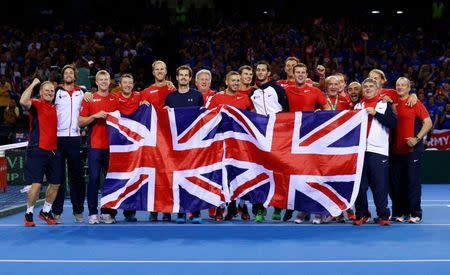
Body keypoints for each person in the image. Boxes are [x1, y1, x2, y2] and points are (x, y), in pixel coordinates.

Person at [205, 71, 253, 222]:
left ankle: (242, 205)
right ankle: (220, 206)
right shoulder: (217, 98)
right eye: (233, 80)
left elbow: (252, 118)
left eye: (238, 80)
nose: (236, 83)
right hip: (222, 142)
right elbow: (207, 118)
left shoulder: (245, 98)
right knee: (222, 175)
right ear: (226, 81)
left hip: (240, 143)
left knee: (241, 173)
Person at [353, 78, 397, 226]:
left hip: (378, 151)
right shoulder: (357, 106)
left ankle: (383, 215)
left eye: (371, 86)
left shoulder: (385, 104)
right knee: (360, 186)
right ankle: (361, 214)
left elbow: (393, 123)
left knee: (380, 185)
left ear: (378, 89)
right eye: (365, 86)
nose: (367, 88)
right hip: (359, 152)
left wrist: (376, 114)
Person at [250, 60, 289, 222]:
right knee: (259, 173)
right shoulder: (252, 93)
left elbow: (287, 111)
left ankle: (278, 207)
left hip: (279, 136)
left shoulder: (278, 89)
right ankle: (259, 209)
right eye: (257, 70)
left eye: (263, 70)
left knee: (278, 172)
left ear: (268, 73)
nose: (260, 72)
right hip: (259, 138)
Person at [164, 65, 204, 224]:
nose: (183, 78)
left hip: (194, 144)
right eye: (181, 75)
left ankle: (195, 212)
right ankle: (180, 212)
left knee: (195, 178)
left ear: (190, 78)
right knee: (179, 179)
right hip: (176, 145)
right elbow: (165, 121)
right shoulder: (170, 98)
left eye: (186, 75)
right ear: (177, 77)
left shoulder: (197, 96)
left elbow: (203, 118)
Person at [391, 77, 432, 224]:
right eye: (398, 85)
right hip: (396, 151)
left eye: (403, 85)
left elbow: (428, 123)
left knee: (412, 183)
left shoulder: (415, 103)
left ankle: (415, 213)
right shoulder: (393, 103)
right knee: (398, 184)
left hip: (412, 150)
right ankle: (401, 212)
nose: (400, 87)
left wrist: (417, 138)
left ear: (409, 88)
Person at [79, 70, 118, 224]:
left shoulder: (116, 99)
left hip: (113, 148)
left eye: (106, 79)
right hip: (95, 147)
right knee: (94, 179)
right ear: (96, 82)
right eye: (100, 79)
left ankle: (108, 213)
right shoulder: (90, 98)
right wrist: (94, 116)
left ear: (109, 82)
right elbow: (80, 122)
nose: (103, 82)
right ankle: (93, 213)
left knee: (111, 181)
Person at [20, 78, 61, 227]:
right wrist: (33, 83)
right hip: (37, 149)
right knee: (36, 184)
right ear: (41, 92)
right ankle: (29, 213)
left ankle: (45, 211)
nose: (50, 92)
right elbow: (23, 101)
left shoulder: (54, 107)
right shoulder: (36, 104)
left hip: (53, 151)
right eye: (47, 90)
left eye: (52, 91)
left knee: (55, 184)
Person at [52, 65, 86, 224]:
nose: (68, 75)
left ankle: (78, 211)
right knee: (57, 177)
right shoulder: (56, 92)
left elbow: (90, 110)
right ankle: (56, 212)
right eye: (66, 73)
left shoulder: (83, 92)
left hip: (75, 139)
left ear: (75, 76)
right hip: (58, 139)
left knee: (77, 177)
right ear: (62, 76)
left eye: (71, 72)